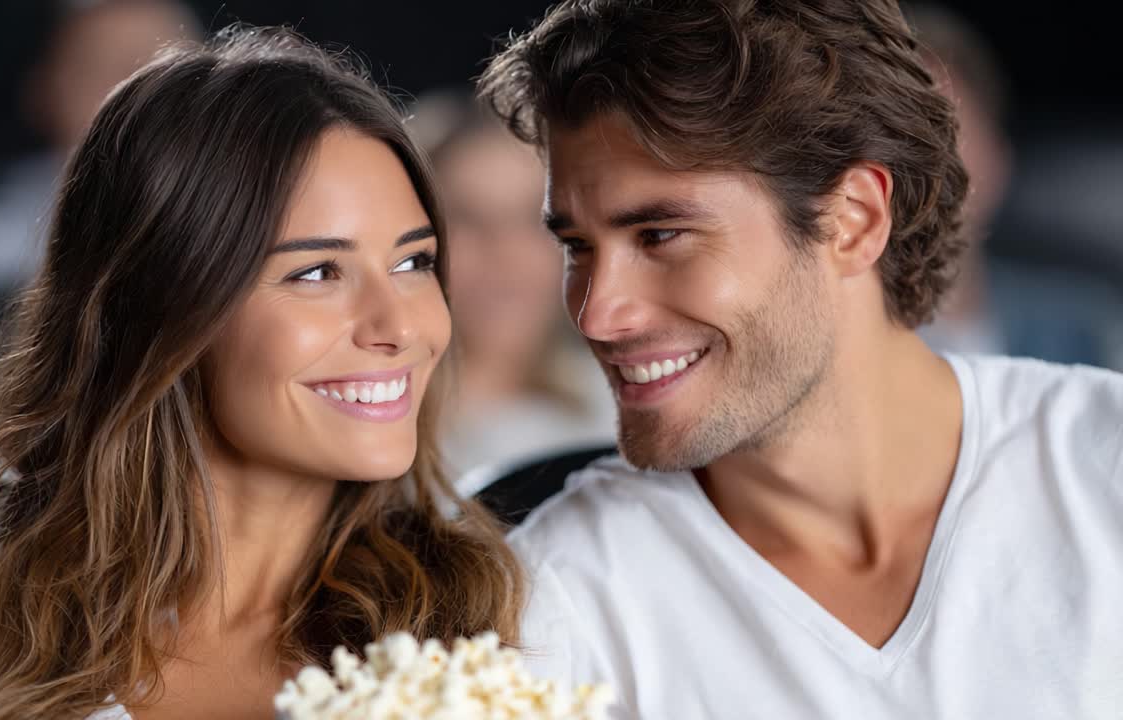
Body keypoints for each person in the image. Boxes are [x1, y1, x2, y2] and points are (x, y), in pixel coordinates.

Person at [0, 27, 524, 720]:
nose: (400, 327)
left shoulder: (484, 620)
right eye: (318, 272)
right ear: (166, 306)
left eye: (413, 262)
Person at [477, 1, 1123, 717]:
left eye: (660, 235)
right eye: (577, 247)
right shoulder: (556, 603)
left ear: (854, 220)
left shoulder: (1102, 462)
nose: (597, 314)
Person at [0, 0, 198, 292]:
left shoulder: (223, 244)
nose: (137, 103)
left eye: (169, 79)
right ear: (43, 91)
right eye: (100, 72)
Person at [407, 91, 616, 483]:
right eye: (467, 217)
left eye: (533, 218)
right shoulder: (375, 431)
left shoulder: (619, 407)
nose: (505, 251)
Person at [907, 3, 1123, 369]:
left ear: (998, 159)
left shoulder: (1086, 330)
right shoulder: (842, 349)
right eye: (896, 138)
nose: (919, 164)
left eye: (945, 131)